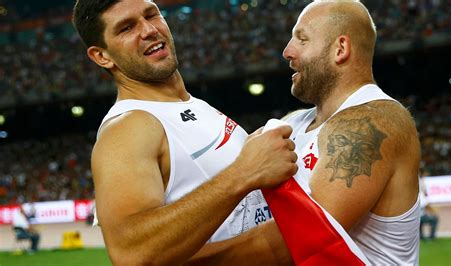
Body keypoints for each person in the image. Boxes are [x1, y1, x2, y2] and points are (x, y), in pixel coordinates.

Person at [190, 1, 422, 265]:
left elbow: (296, 241)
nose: (287, 52)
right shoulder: (294, 123)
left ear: (340, 49)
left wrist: (174, 258)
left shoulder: (376, 123)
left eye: (302, 39)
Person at [72, 0, 297, 265]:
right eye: (126, 28)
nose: (148, 30)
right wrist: (244, 172)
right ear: (102, 56)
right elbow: (132, 253)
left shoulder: (191, 106)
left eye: (151, 15)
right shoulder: (128, 127)